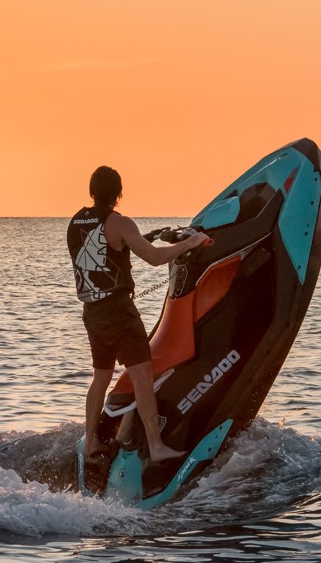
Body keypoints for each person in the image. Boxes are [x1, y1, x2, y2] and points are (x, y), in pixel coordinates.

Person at [67, 166, 210, 463]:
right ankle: (156, 446)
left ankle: (91, 442)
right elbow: (155, 259)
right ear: (119, 193)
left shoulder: (76, 222)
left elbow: (106, 250)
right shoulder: (119, 223)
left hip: (92, 313)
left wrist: (143, 237)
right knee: (142, 375)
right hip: (119, 312)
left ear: (91, 191)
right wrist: (190, 243)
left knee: (101, 377)